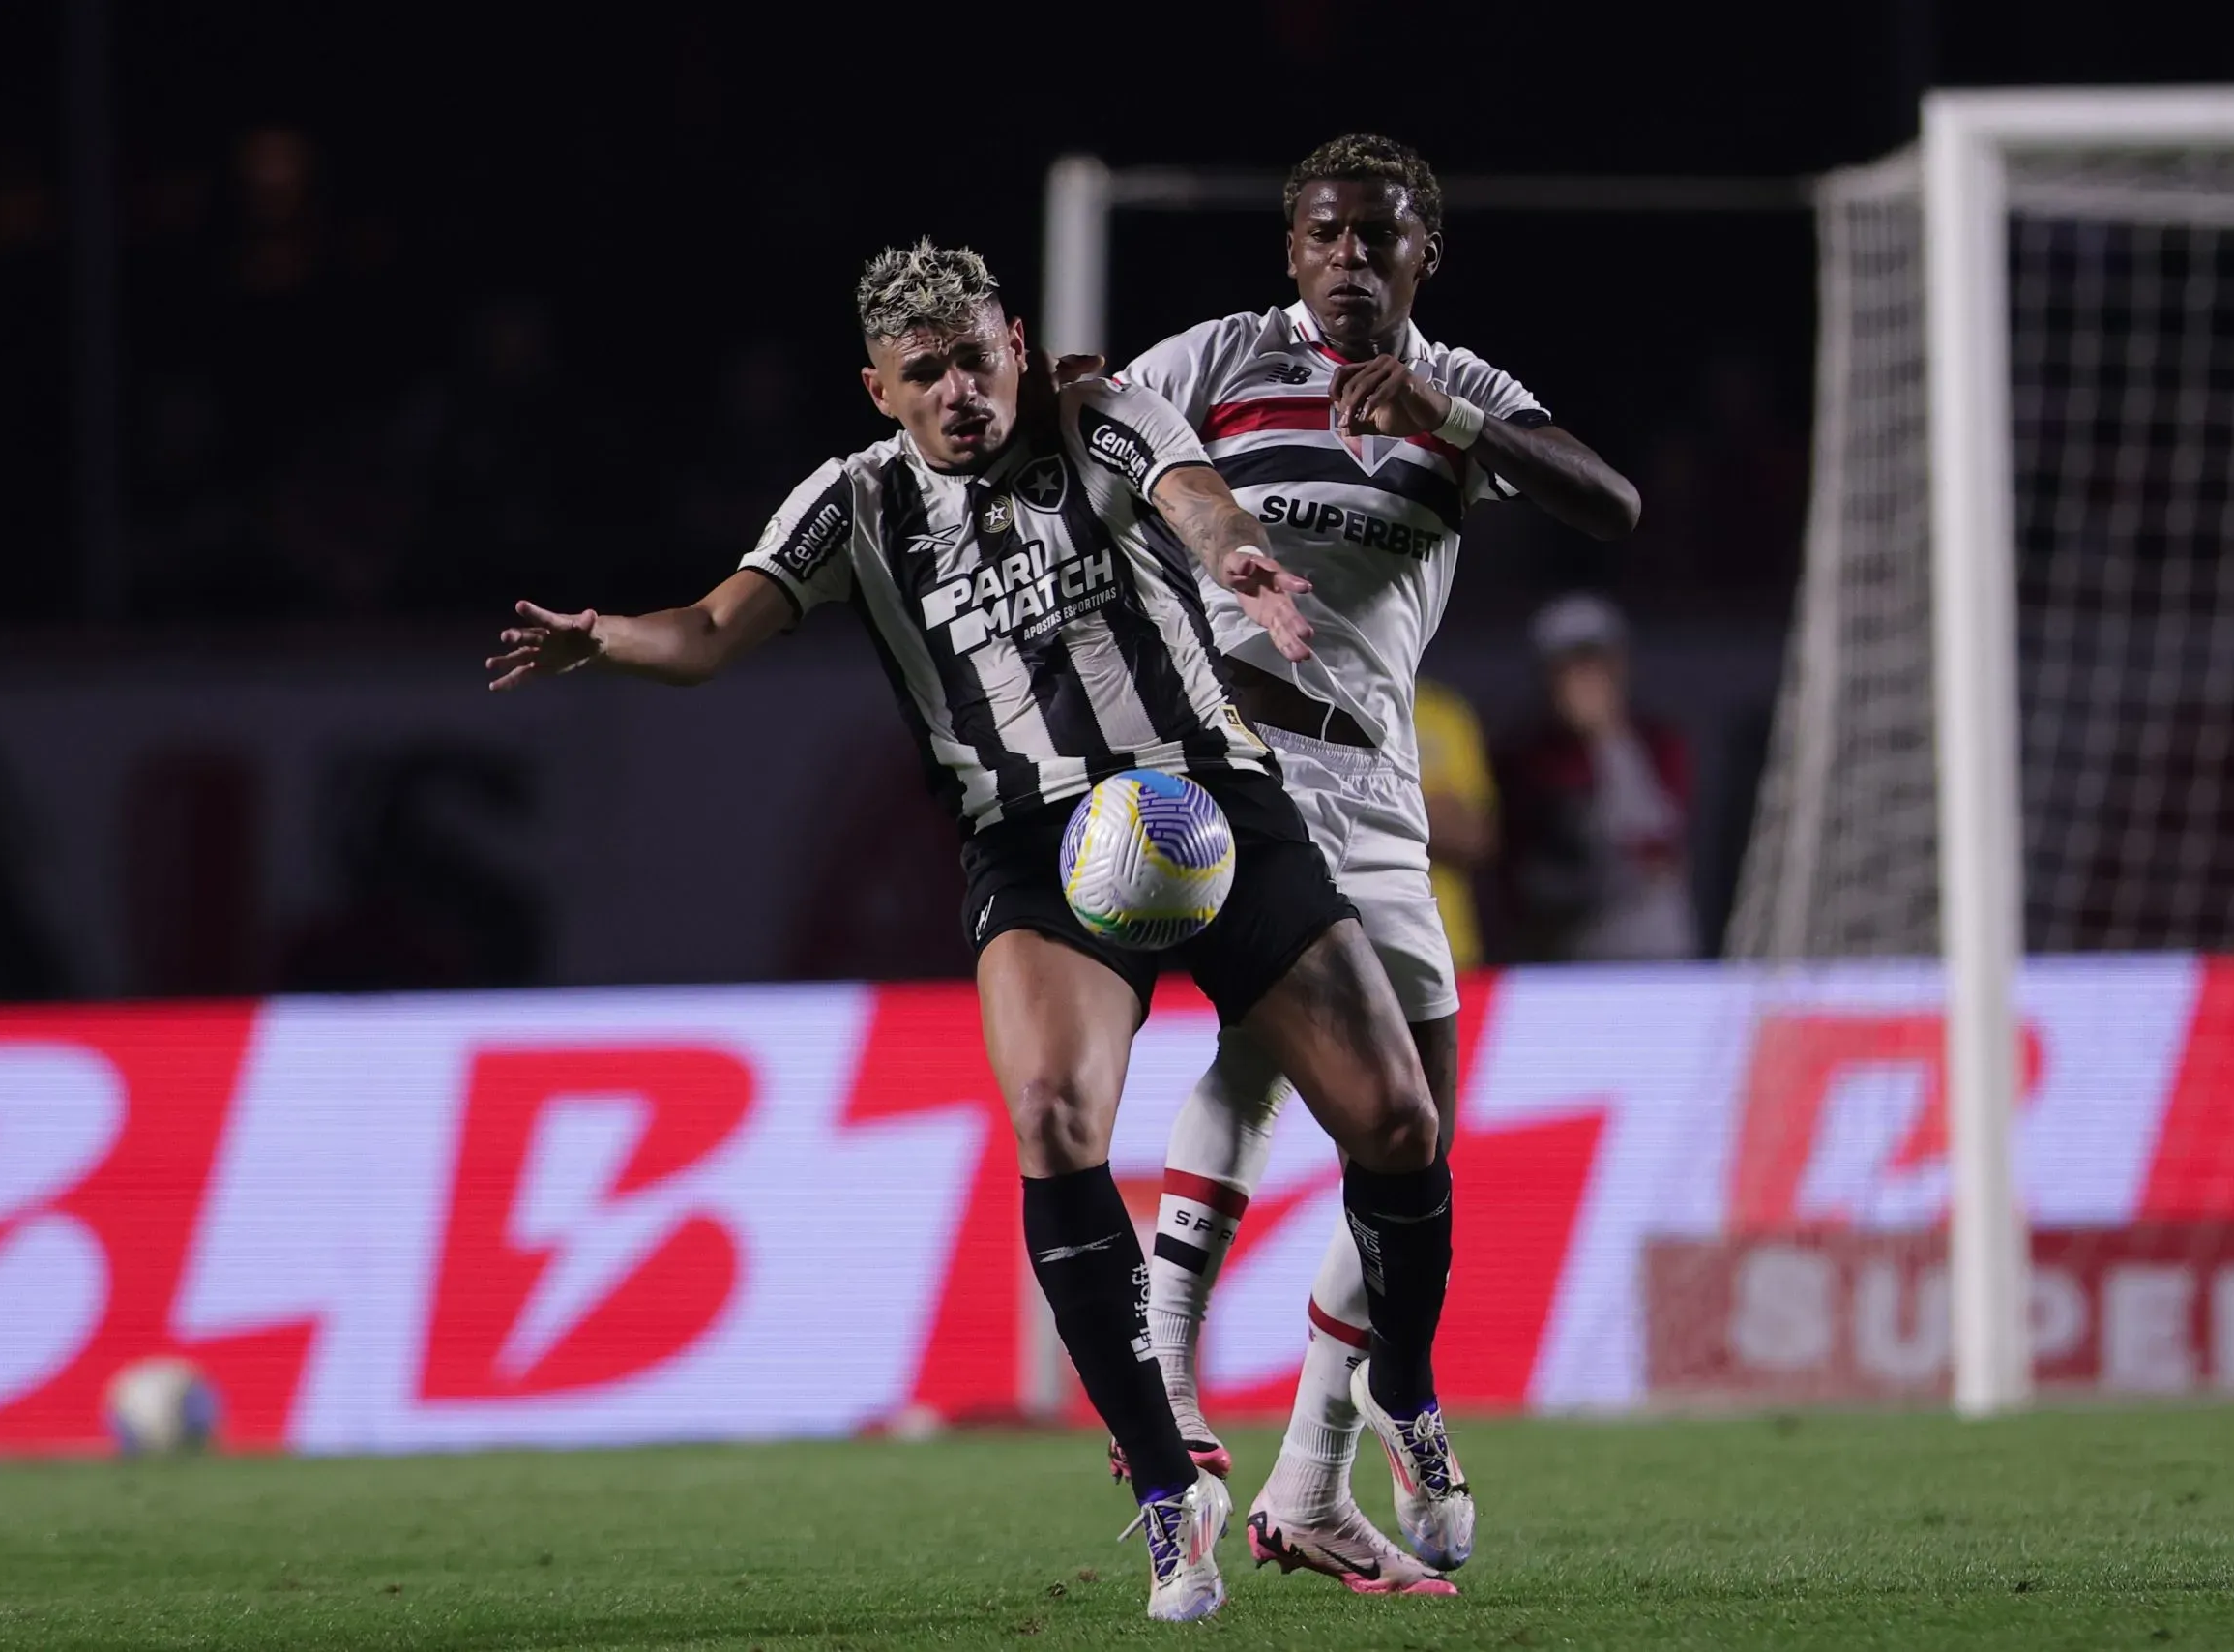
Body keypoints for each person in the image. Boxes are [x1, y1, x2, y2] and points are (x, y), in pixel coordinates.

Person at [484, 240, 1466, 1625]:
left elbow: (1188, 493)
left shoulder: (1098, 413)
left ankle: (1402, 1384)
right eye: (925, 372)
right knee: (1054, 1116)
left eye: (975, 358)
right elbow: (706, 629)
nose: (960, 391)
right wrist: (608, 638)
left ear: (1016, 344)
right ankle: (1164, 1488)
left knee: (1401, 1122)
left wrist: (1236, 554)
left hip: (1207, 801)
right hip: (1040, 844)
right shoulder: (854, 502)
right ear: (879, 390)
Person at [1072, 135, 1639, 1592]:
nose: (1347, 259)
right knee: (1270, 1055)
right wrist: (1068, 400)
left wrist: (1456, 418)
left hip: (1378, 780)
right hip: (1236, 765)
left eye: (1376, 238)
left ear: (1420, 256)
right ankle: (1177, 1380)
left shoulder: (1457, 389)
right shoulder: (1223, 357)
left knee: (1411, 1138)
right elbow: (1098, 427)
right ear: (1292, 249)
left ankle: (1316, 1472)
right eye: (1324, 234)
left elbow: (1609, 503)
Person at [1501, 591, 1697, 960]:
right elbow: (1537, 863)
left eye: (1596, 664)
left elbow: (1662, 838)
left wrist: (1606, 737)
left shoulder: (1658, 743)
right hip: (1570, 959)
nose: (1586, 681)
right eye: (1570, 669)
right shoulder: (1527, 756)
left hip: (1659, 954)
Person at [1412, 675, 1500, 971]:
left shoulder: (1442, 711)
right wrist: (1427, 809)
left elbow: (1476, 835)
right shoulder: (1304, 706)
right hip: (1341, 953)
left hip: (1445, 949)